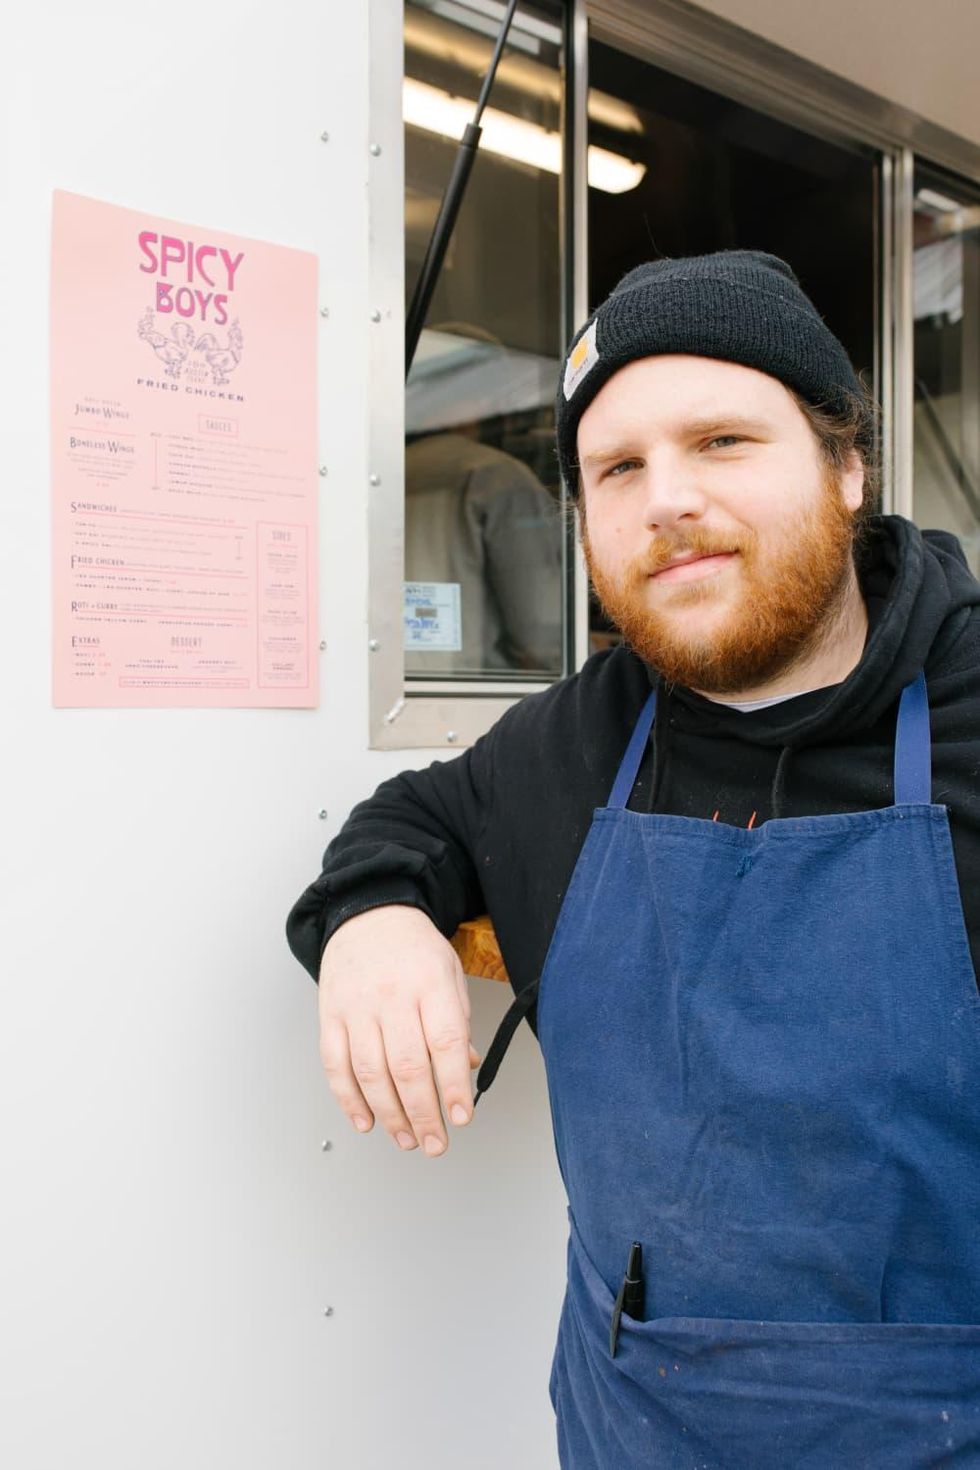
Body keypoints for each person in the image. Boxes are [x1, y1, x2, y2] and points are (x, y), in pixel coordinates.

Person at [286, 250, 980, 1466]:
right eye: (617, 467)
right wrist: (373, 917)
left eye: (721, 441)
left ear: (845, 463)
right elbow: (410, 819)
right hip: (636, 1431)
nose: (666, 499)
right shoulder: (578, 737)